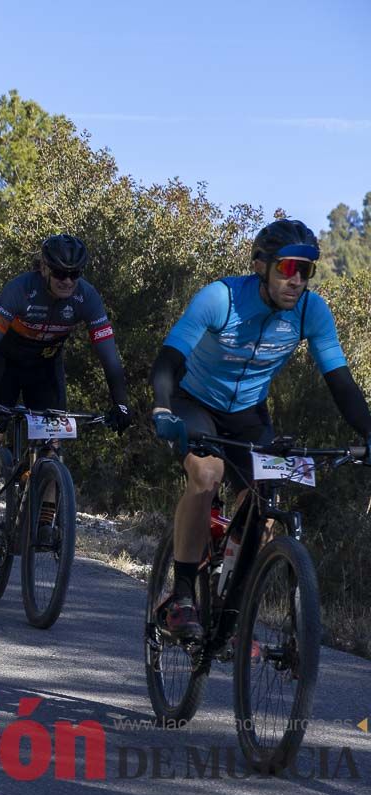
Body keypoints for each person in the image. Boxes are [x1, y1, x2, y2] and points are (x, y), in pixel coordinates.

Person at [150, 219, 371, 639]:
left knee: (266, 494)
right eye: (288, 268)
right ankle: (180, 596)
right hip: (192, 401)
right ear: (261, 266)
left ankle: (231, 603)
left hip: (248, 413)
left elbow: (340, 382)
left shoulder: (311, 311)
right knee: (207, 475)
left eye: (307, 271)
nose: (298, 281)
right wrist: (162, 408)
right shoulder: (222, 298)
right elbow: (168, 361)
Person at [0, 234, 131, 555]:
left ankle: (45, 521)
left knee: (52, 447)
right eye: (60, 273)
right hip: (6, 367)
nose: (68, 281)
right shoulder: (20, 290)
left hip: (45, 370)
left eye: (75, 274)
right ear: (44, 268)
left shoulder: (86, 297)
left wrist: (120, 402)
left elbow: (108, 353)